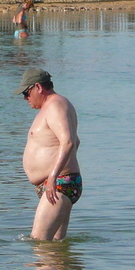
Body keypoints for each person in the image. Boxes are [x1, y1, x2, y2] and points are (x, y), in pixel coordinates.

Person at [17, 68, 81, 241]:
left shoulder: (55, 105)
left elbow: (68, 142)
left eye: (26, 92)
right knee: (56, 248)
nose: (25, 98)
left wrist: (53, 176)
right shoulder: (54, 106)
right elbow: (77, 142)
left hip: (58, 184)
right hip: (59, 183)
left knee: (39, 243)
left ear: (38, 87)